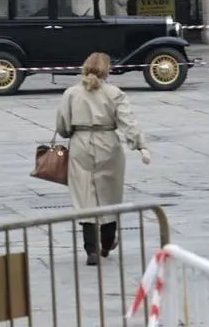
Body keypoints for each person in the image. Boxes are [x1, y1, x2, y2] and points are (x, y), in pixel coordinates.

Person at [56, 52, 151, 266]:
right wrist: (141, 146)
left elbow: (62, 127)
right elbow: (128, 121)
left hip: (80, 143)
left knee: (84, 197)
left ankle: (91, 250)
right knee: (110, 194)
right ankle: (107, 243)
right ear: (107, 70)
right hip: (108, 143)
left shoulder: (71, 93)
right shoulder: (114, 93)